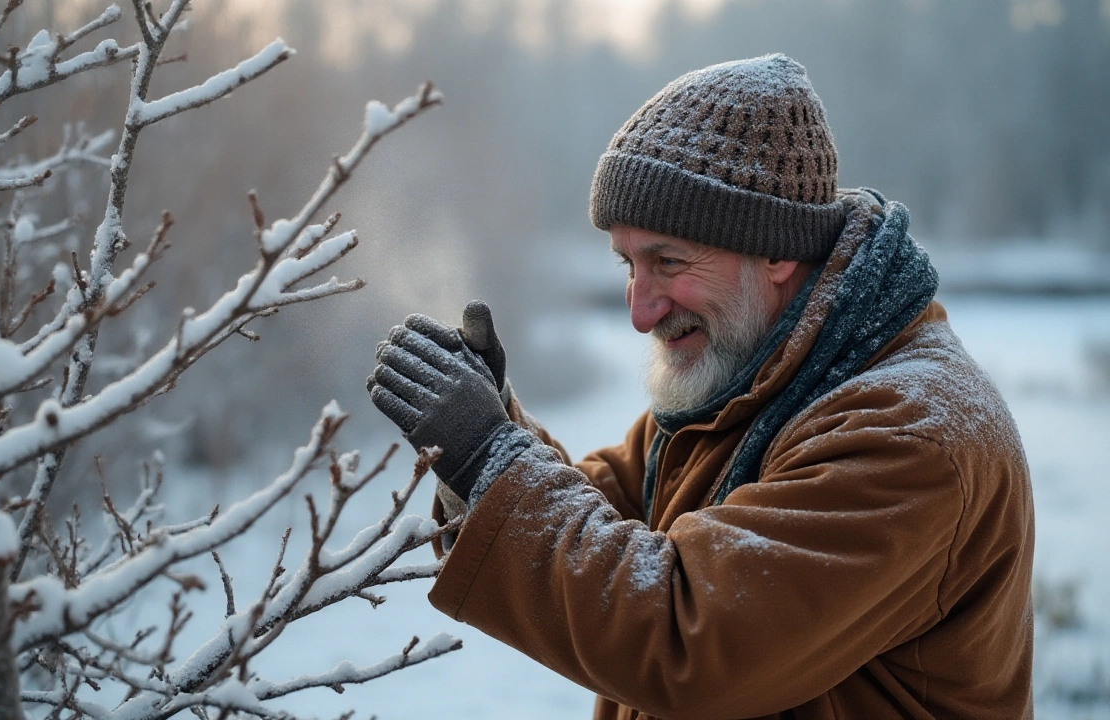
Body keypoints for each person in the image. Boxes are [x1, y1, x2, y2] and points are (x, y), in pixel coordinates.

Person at [366, 54, 1034, 720]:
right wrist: (490, 444)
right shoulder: (756, 376)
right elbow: (610, 526)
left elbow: (690, 635)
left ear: (776, 250)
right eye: (628, 264)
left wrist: (492, 458)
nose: (639, 309)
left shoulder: (912, 434)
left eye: (668, 262)